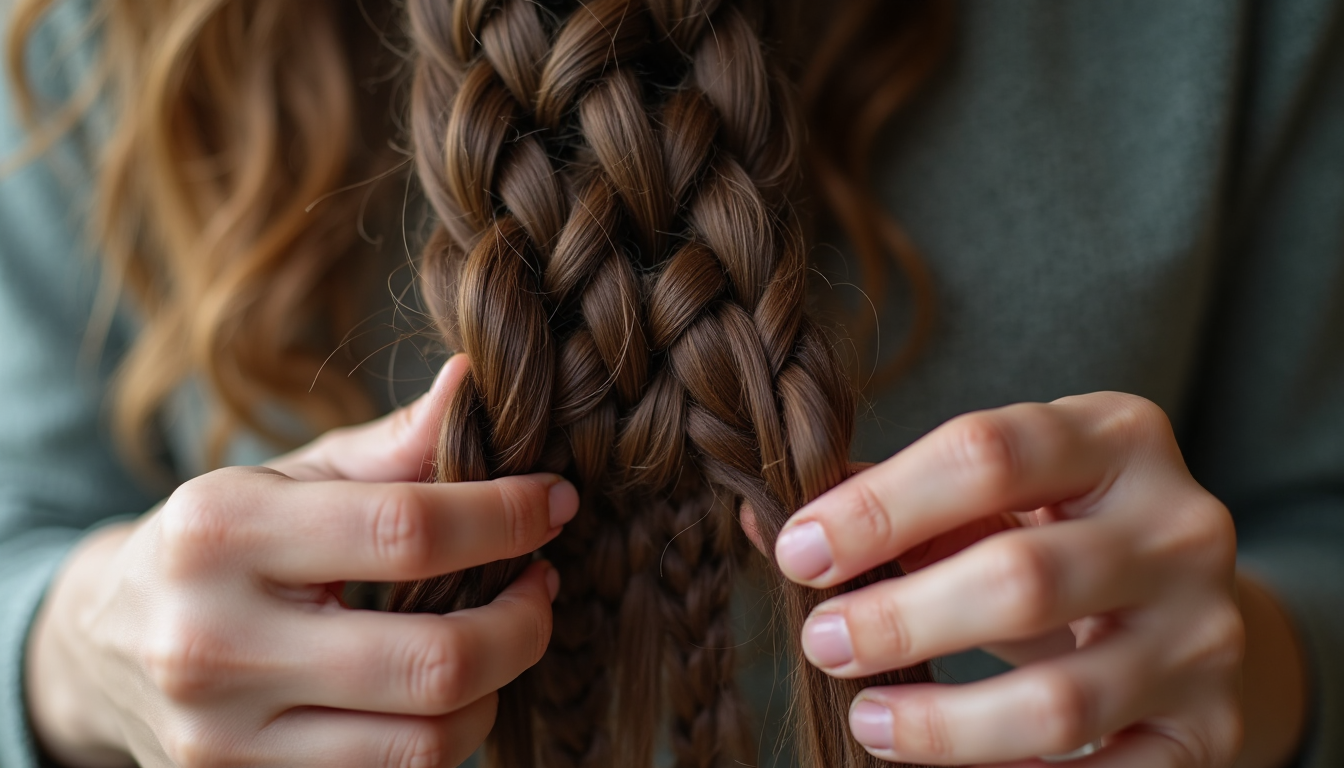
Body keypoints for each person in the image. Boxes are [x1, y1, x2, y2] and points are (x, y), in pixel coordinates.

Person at [2, 1, 1340, 767]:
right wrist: (71, 654)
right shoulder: (105, 29)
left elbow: (1317, 515)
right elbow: (25, 522)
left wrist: (1264, 666)